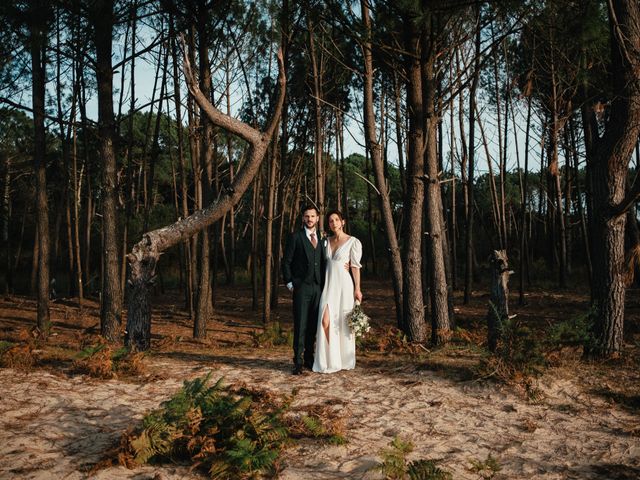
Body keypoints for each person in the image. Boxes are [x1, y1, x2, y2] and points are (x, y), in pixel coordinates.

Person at [313, 210, 363, 374]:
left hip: (344, 286)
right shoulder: (325, 242)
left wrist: (357, 288)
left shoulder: (353, 242)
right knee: (325, 321)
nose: (333, 223)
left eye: (336, 220)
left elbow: (355, 266)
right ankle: (331, 359)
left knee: (342, 323)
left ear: (343, 222)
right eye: (330, 221)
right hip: (328, 286)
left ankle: (343, 359)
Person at [282, 205, 326, 375]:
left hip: (318, 287)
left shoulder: (322, 238)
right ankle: (298, 361)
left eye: (312, 216)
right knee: (300, 325)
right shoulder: (296, 237)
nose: (309, 219)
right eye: (306, 216)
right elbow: (286, 262)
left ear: (317, 218)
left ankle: (309, 358)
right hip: (301, 288)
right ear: (303, 218)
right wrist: (289, 283)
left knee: (313, 325)